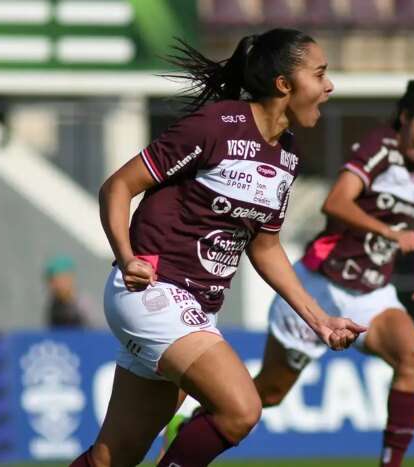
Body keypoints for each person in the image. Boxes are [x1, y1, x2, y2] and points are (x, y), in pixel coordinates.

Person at [69, 28, 365, 467]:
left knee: (112, 459)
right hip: (155, 293)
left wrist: (319, 321)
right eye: (319, 74)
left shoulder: (287, 155)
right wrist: (127, 256)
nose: (329, 86)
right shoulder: (215, 126)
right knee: (241, 409)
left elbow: (265, 248)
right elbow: (118, 187)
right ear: (284, 84)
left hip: (197, 305)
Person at [246, 58, 414, 467]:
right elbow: (335, 202)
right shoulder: (380, 147)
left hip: (372, 293)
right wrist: (391, 233)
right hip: (322, 288)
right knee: (266, 397)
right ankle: (192, 419)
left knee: (412, 357)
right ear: (404, 118)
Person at [44, 254, 101, 327]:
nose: (54, 286)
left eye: (57, 281)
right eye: (51, 282)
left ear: (69, 279)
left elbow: (97, 332)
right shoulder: (53, 307)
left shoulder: (83, 304)